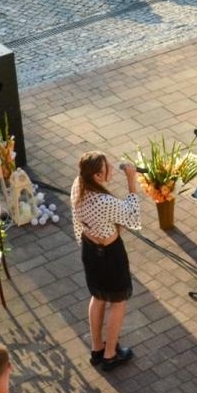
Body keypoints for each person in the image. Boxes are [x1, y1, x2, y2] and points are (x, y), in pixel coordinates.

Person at [69, 155, 143, 368]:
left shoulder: (78, 185)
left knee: (98, 296)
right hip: (110, 254)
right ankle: (111, 354)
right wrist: (131, 180)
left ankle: (96, 348)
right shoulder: (104, 201)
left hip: (90, 250)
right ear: (97, 175)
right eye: (107, 167)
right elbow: (133, 216)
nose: (111, 168)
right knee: (118, 302)